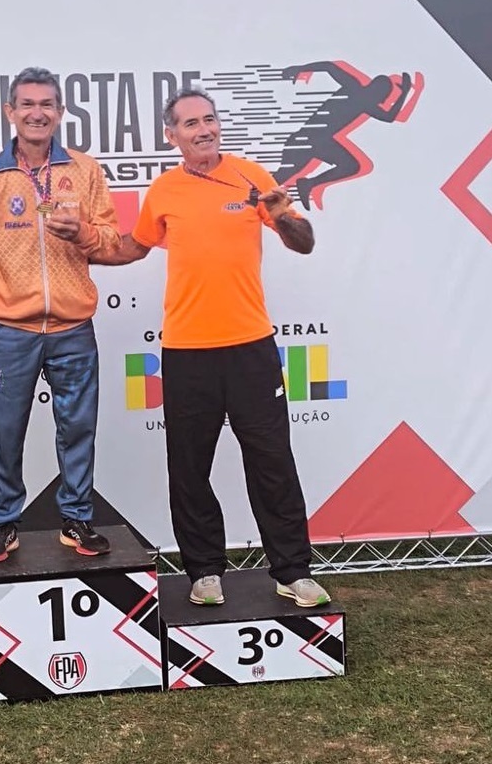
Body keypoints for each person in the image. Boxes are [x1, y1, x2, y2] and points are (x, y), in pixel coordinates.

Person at [93, 85, 331, 608]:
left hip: (251, 348)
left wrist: (283, 214)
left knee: (272, 462)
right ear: (171, 135)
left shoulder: (252, 176)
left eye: (209, 119)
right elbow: (134, 246)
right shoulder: (165, 190)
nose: (204, 129)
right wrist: (86, 248)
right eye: (191, 123)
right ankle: (204, 571)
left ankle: (292, 571)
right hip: (185, 351)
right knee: (189, 465)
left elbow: (304, 241)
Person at [0, 66, 120, 562]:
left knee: (78, 426)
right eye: (27, 104)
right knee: (4, 428)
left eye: (47, 105)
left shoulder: (85, 171)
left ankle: (77, 520)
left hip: (72, 328)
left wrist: (81, 232)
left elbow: (110, 242)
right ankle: (2, 525)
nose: (37, 113)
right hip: (8, 329)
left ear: (60, 113)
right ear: (10, 112)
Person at [273, 60, 420, 210]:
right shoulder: (365, 101)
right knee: (278, 179)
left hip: (316, 141)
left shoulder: (355, 89)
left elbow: (328, 67)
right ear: (379, 93)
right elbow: (390, 116)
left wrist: (301, 68)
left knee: (351, 165)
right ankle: (303, 184)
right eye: (385, 97)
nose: (383, 101)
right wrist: (406, 92)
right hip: (308, 140)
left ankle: (308, 183)